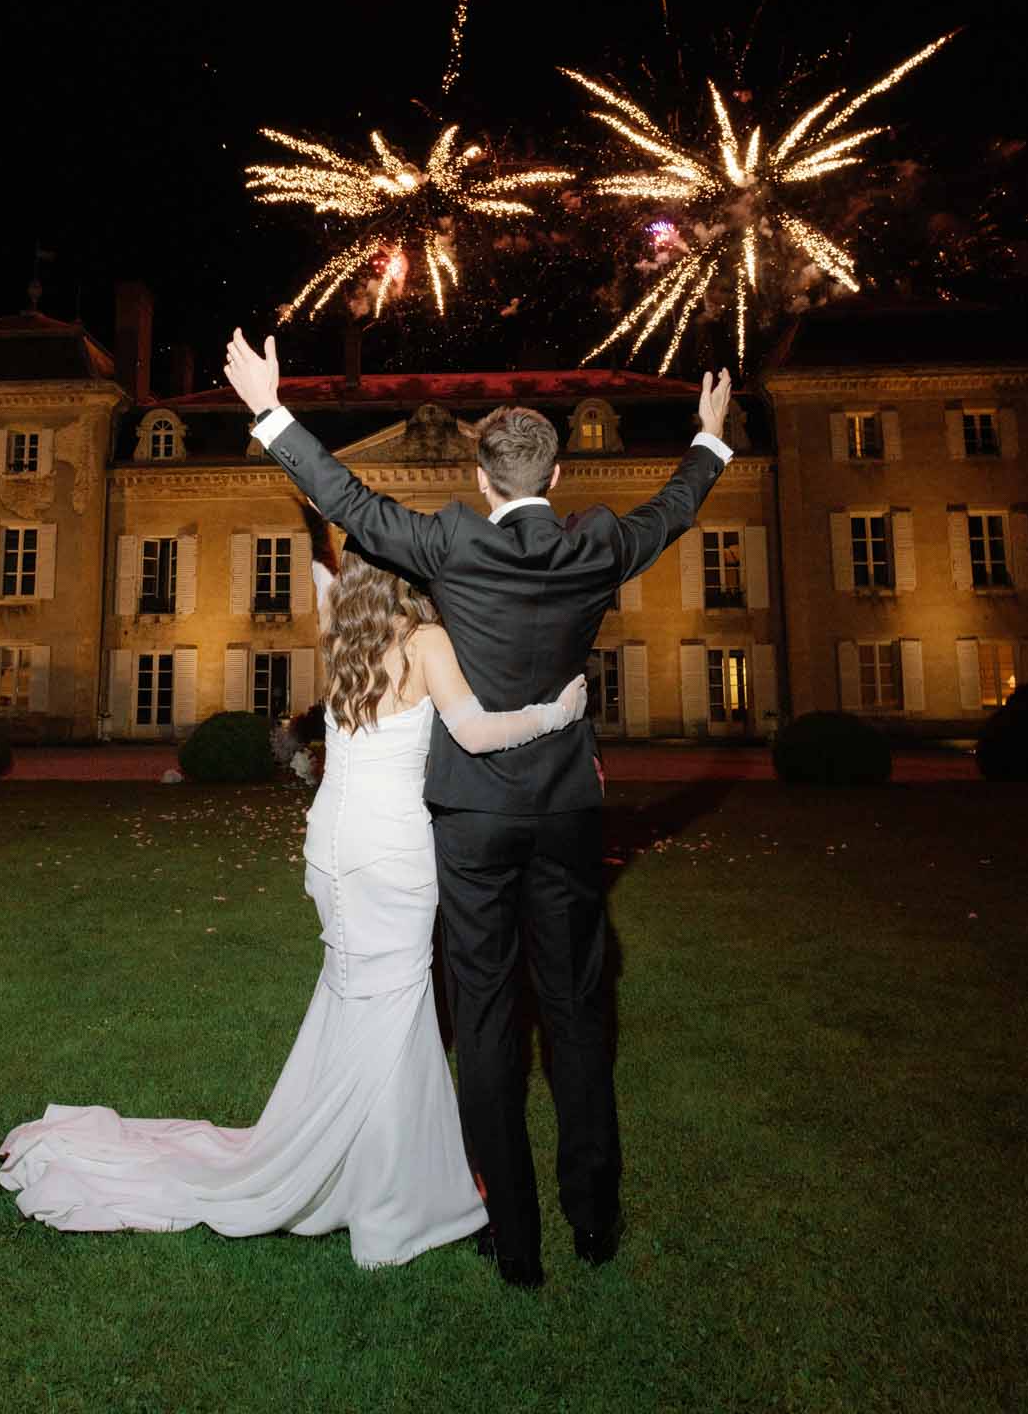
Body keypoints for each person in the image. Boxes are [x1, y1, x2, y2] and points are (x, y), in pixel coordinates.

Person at [225, 331, 733, 1286]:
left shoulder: (451, 537)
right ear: (558, 471)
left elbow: (348, 504)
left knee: (490, 1016)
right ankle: (594, 1218)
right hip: (567, 812)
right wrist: (708, 438)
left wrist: (270, 408)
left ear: (478, 472)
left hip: (469, 817)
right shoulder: (595, 544)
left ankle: (513, 1234)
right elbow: (671, 513)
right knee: (579, 1012)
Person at [0, 548, 587, 1268]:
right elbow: (475, 732)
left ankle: (373, 1165)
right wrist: (555, 713)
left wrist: (312, 503)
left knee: (358, 996)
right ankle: (394, 1189)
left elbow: (320, 573)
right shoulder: (425, 641)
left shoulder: (337, 632)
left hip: (332, 847)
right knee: (396, 1003)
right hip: (390, 851)